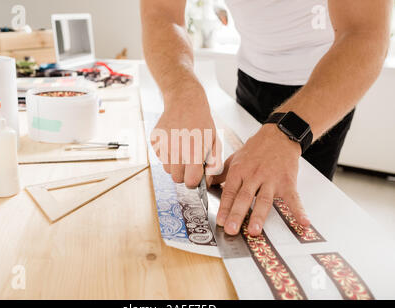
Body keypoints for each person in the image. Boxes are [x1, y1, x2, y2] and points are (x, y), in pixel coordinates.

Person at [141, 0, 392, 236]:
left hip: (325, 85)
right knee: (243, 201)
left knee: (290, 224)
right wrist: (181, 89)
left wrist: (287, 133)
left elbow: (363, 32)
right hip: (251, 76)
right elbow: (162, 13)